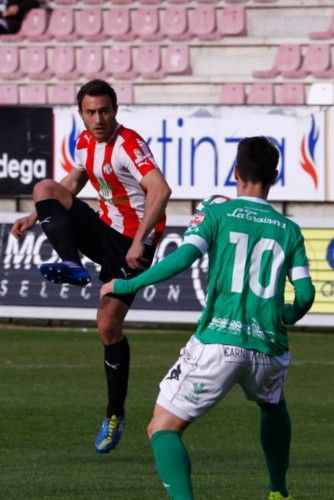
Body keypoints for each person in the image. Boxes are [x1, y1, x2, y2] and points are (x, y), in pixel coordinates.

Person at [101, 136, 315, 500]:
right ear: (275, 176)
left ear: (235, 172)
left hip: (219, 342)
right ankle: (278, 491)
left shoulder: (218, 213)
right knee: (272, 403)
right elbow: (307, 294)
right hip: (268, 345)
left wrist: (128, 281)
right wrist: (287, 314)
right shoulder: (289, 229)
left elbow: (183, 258)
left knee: (162, 429)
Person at [11, 79, 172, 454]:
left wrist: (138, 241)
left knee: (106, 327)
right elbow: (76, 179)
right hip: (105, 232)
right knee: (45, 187)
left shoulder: (129, 145)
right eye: (90, 112)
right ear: (81, 114)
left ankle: (115, 414)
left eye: (104, 111)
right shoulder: (85, 142)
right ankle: (71, 262)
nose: (98, 119)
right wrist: (35, 216)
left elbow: (161, 190)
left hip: (134, 245)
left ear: (115, 110)